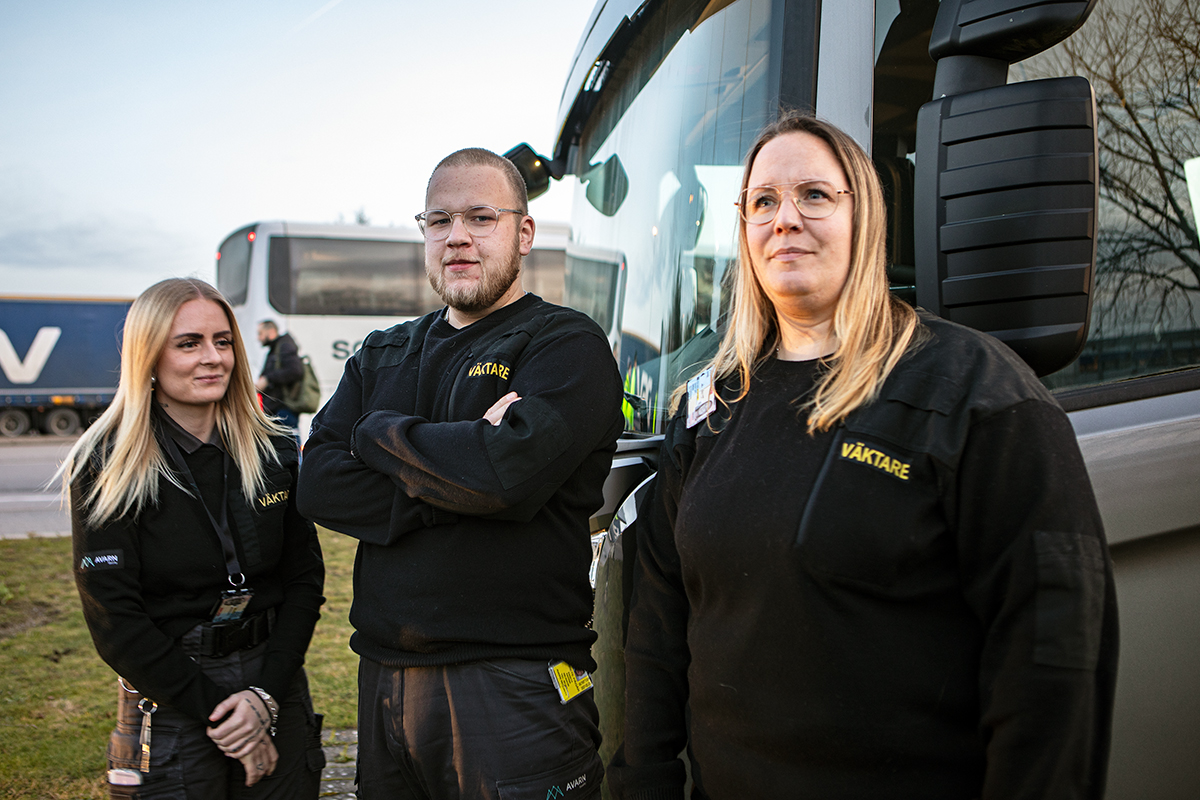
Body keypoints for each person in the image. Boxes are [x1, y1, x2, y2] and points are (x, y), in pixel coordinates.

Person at [613, 113, 1118, 800]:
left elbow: (1057, 654)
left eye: (814, 195)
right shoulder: (706, 408)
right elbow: (657, 634)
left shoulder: (977, 391)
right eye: (762, 201)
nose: (784, 218)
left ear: (866, 217)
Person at [297, 147, 624, 800]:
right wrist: (463, 477)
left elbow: (504, 473)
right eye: (439, 220)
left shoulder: (566, 347)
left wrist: (376, 434)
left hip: (515, 686)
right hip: (385, 678)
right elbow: (319, 482)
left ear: (523, 233)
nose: (458, 238)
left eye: (481, 217)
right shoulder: (383, 352)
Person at [62, 278, 326, 798]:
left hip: (272, 676)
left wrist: (265, 697)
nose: (213, 358)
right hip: (172, 694)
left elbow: (304, 580)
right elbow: (115, 619)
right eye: (189, 343)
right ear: (149, 357)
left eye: (222, 341)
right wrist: (222, 716)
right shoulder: (107, 464)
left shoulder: (272, 449)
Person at [255, 320, 304, 431]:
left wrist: (267, 379)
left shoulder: (284, 346)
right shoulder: (277, 347)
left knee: (289, 444)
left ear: (271, 332)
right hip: (278, 410)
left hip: (283, 410)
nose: (258, 338)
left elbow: (295, 371)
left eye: (260, 333)